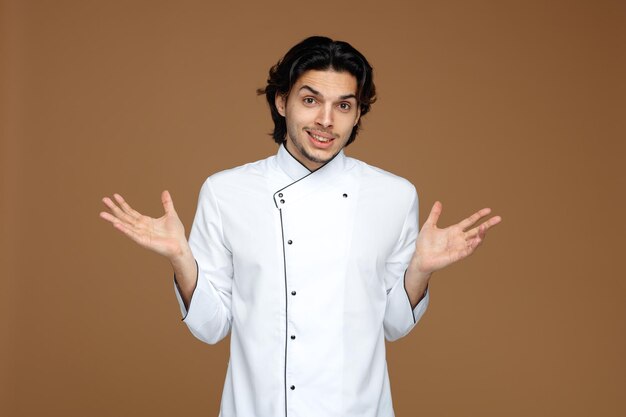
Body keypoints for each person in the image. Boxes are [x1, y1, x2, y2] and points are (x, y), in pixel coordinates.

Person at [100, 36, 501, 417]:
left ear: (358, 112)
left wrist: (421, 270)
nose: (325, 121)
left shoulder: (394, 196)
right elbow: (211, 327)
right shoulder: (226, 192)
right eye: (310, 100)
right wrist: (180, 258)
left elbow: (394, 326)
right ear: (281, 101)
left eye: (344, 106)